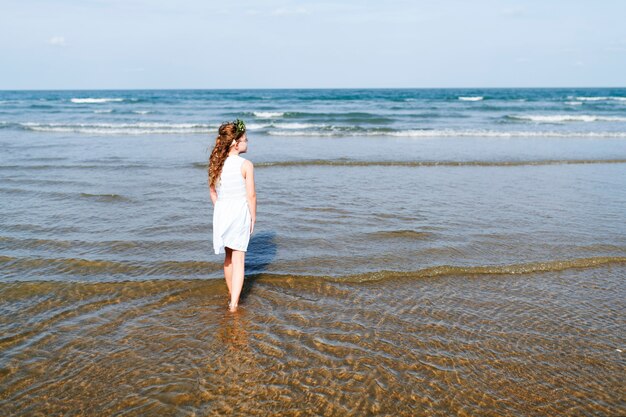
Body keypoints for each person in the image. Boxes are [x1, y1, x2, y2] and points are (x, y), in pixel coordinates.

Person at [208, 119, 256, 312]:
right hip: (239, 211)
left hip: (221, 211)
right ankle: (234, 304)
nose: (247, 142)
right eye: (245, 139)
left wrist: (220, 208)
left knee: (228, 257)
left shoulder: (216, 163)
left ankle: (231, 294)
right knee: (239, 259)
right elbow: (251, 195)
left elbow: (213, 192)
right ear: (236, 143)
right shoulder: (246, 164)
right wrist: (253, 217)